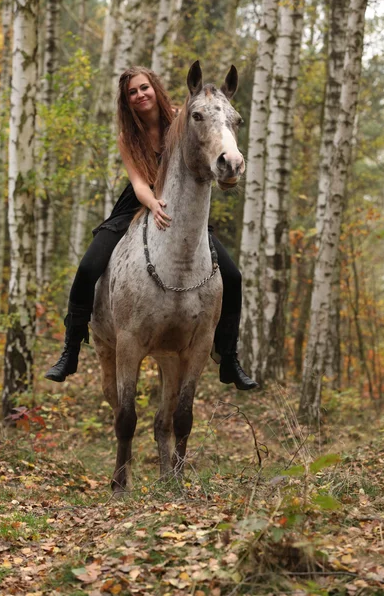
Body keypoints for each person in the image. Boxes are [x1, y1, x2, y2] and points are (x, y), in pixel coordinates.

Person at [45, 66, 258, 391]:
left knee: (233, 276)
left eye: (144, 87)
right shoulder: (127, 136)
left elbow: (209, 138)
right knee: (89, 267)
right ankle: (70, 349)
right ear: (126, 101)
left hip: (180, 207)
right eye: (132, 92)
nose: (140, 95)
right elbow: (137, 182)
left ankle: (228, 357)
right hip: (138, 201)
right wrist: (154, 203)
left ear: (154, 88)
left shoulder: (181, 117)